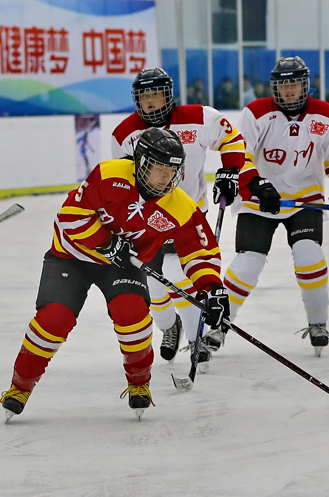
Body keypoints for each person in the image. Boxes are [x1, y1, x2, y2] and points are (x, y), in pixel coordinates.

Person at [0, 128, 229, 421]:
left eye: (171, 171)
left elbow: (200, 252)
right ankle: (20, 386)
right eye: (158, 169)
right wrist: (107, 243)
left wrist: (211, 288)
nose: (165, 178)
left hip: (122, 265)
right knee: (54, 319)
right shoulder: (110, 174)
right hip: (72, 256)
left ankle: (139, 384)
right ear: (141, 163)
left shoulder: (180, 205)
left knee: (131, 314)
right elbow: (70, 215)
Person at [223, 56, 329, 357]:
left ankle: (318, 322)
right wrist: (257, 183)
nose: (289, 91)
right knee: (247, 263)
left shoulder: (325, 114)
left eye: (295, 84)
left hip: (305, 199)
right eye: (283, 85)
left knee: (308, 254)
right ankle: (218, 325)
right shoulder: (257, 112)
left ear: (306, 85)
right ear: (274, 87)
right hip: (259, 199)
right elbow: (240, 153)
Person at [111, 68, 247, 365]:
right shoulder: (124, 134)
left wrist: (229, 170)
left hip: (189, 215)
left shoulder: (201, 118)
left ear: (168, 95)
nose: (150, 103)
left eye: (155, 94)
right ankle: (168, 327)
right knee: (156, 289)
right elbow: (121, 183)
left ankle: (195, 339)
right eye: (144, 96)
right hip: (149, 222)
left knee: (182, 278)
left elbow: (233, 140)